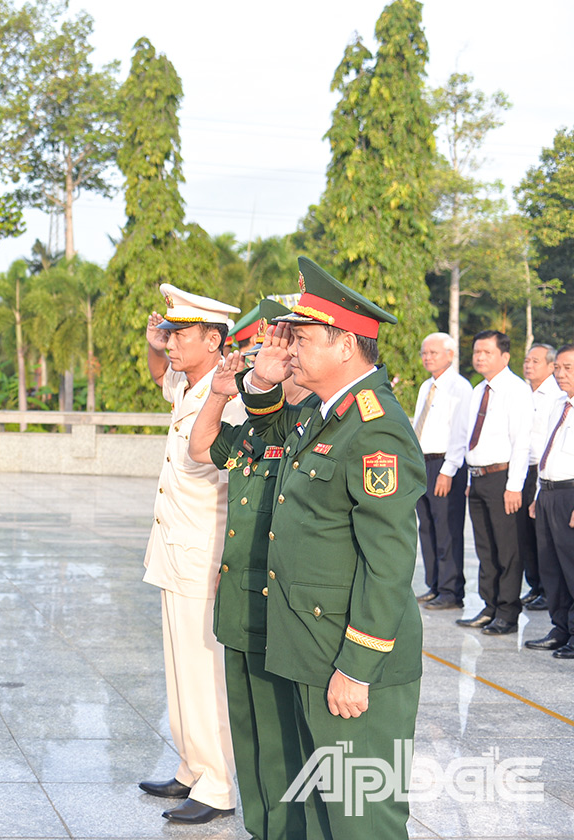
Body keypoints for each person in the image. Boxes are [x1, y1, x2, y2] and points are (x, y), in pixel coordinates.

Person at [242, 257, 424, 840]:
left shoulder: (375, 426)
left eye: (301, 336)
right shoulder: (327, 414)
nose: (289, 347)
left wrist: (358, 664)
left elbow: (389, 560)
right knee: (323, 815)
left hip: (347, 657)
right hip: (310, 647)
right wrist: (262, 383)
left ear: (346, 343)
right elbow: (257, 439)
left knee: (361, 819)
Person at [188, 298, 308, 840]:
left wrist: (263, 388)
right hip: (240, 604)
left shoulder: (305, 426)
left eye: (285, 353)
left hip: (281, 609)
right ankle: (263, 829)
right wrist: (218, 393)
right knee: (253, 739)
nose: (275, 361)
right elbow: (200, 445)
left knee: (285, 740)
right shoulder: (257, 431)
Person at [138, 283, 245, 825]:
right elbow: (160, 373)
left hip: (204, 551)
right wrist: (156, 342)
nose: (170, 342)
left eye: (180, 334)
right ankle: (190, 766)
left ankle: (218, 784)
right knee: (178, 667)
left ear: (213, 338)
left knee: (203, 673)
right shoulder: (189, 383)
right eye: (170, 332)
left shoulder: (230, 397)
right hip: (176, 545)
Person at [455, 331, 533, 636]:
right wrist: (470, 475)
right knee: (485, 548)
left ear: (505, 356)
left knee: (508, 549)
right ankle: (489, 606)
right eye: (476, 352)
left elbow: (522, 442)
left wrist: (514, 485)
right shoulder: (478, 390)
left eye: (487, 352)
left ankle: (507, 612)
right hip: (477, 479)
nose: (479, 357)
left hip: (504, 480)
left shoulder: (516, 390)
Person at [412, 333, 472, 611]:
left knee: (447, 528)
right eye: (425, 353)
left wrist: (448, 471)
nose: (427, 357)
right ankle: (434, 584)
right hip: (422, 462)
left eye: (434, 353)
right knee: (427, 527)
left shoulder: (460, 387)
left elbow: (460, 434)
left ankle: (451, 590)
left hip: (446, 464)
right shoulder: (427, 386)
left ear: (450, 354)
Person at [529, 345, 574, 657]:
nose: (560, 374)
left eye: (568, 368)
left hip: (570, 495)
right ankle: (560, 628)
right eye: (557, 367)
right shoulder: (559, 404)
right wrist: (536, 495)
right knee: (551, 567)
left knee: (572, 568)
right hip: (547, 492)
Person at [519, 343, 560, 610]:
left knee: (543, 535)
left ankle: (548, 590)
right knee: (524, 534)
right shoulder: (523, 393)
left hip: (542, 471)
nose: (529, 365)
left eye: (535, 361)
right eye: (527, 360)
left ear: (550, 366)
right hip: (522, 469)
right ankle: (534, 585)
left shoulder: (556, 396)